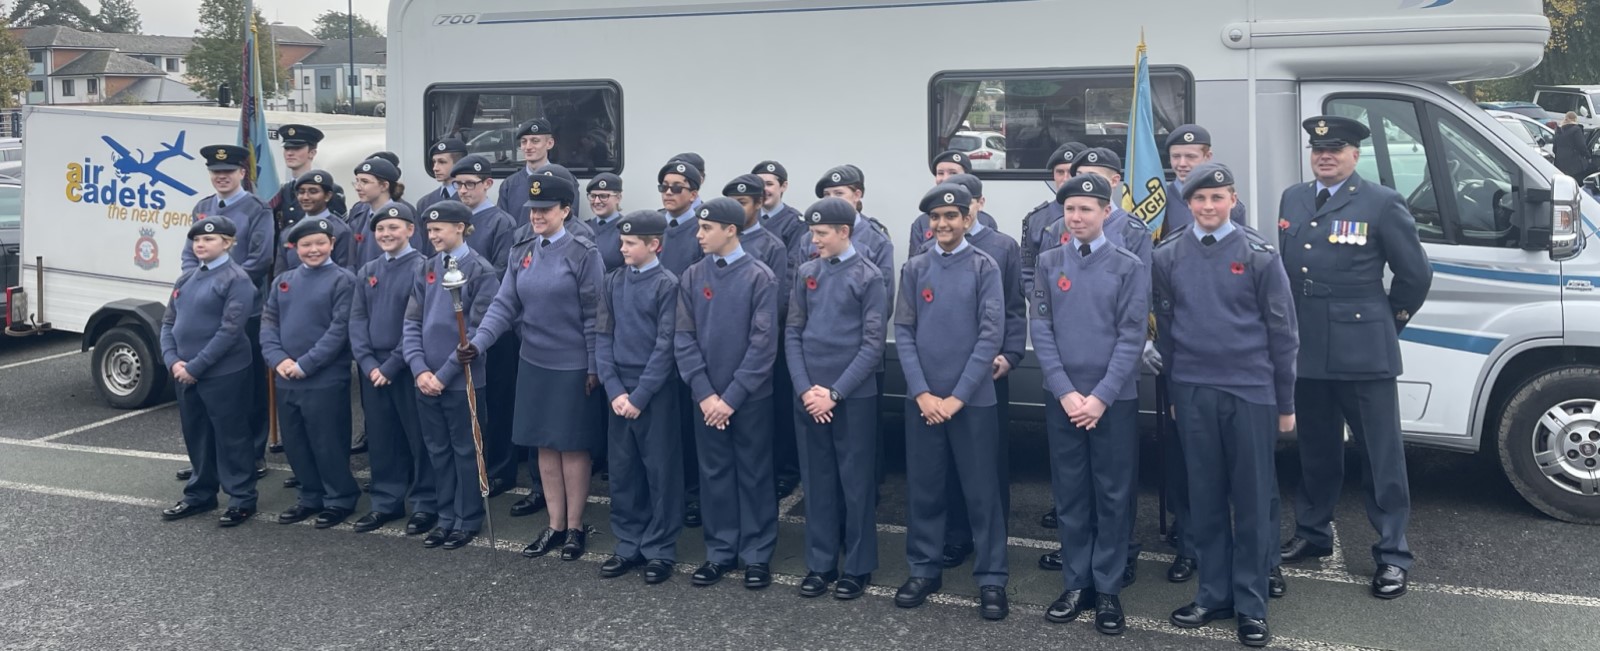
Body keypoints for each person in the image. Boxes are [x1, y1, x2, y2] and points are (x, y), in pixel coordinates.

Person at [1278, 116, 1432, 601]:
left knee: (1381, 455)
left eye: (1335, 149)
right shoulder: (1293, 198)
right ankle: (1313, 532)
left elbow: (1415, 274)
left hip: (1363, 347)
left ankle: (1392, 553)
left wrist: (1387, 321)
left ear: (1355, 154)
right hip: (1307, 345)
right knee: (1316, 448)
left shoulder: (1381, 202)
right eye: (1318, 149)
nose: (1324, 156)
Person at [1154, 162, 1298, 647]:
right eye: (1199, 199)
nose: (1209, 206)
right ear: (1188, 203)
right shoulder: (1168, 254)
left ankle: (1251, 605)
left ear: (1233, 200)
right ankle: (1212, 594)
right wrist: (1176, 392)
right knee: (1205, 498)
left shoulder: (1259, 255)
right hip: (1193, 390)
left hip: (1249, 392)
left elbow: (1283, 333)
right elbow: (1167, 330)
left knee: (1252, 502)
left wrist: (1285, 402)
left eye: (1217, 198)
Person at [465, 174, 606, 561]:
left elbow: (596, 314)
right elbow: (504, 304)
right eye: (533, 210)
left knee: (571, 447)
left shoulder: (583, 253)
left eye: (545, 209)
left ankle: (575, 526)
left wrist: (594, 365)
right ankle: (555, 524)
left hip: (573, 365)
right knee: (543, 443)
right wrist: (478, 343)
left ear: (565, 210)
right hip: (534, 361)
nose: (537, 216)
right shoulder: (522, 250)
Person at [1031, 173, 1148, 635]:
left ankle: (1109, 589)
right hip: (1063, 398)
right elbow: (1041, 330)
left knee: (1114, 495)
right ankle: (1076, 583)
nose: (1076, 217)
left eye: (1086, 209)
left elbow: (1131, 336)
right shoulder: (1048, 262)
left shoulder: (1127, 265)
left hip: (1112, 400)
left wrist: (1100, 397)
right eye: (1070, 209)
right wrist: (1064, 391)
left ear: (1105, 211)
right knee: (1071, 493)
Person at [893, 183, 1008, 621]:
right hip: (923, 401)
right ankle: (923, 569)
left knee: (982, 493)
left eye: (951, 216)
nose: (942, 224)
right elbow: (904, 331)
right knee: (925, 489)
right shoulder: (915, 267)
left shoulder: (984, 266)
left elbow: (990, 335)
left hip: (971, 401)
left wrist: (958, 397)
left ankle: (992, 577)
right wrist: (922, 392)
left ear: (966, 218)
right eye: (935, 218)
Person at [674, 197, 780, 589]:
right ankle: (720, 551)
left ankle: (756, 554)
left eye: (707, 228)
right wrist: (704, 393)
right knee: (714, 473)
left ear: (731, 230)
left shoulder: (760, 277)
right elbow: (683, 338)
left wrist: (731, 398)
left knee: (754, 473)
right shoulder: (692, 276)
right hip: (707, 398)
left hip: (748, 398)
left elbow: (762, 346)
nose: (699, 235)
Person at [786, 197, 888, 600]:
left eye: (821, 233)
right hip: (810, 394)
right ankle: (821, 563)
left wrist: (835, 392)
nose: (814, 240)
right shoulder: (807, 272)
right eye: (813, 232)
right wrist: (804, 388)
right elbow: (793, 332)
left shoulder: (868, 276)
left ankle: (858, 566)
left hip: (852, 396)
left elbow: (872, 343)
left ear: (844, 232)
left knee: (856, 482)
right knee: (817, 481)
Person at [926, 173, 1024, 571]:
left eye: (957, 209)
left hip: (988, 371)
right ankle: (956, 536)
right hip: (943, 375)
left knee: (988, 462)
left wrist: (1011, 355)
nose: (946, 219)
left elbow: (1014, 308)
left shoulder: (1002, 247)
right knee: (948, 461)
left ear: (975, 207)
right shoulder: (928, 250)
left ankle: (991, 538)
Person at [173, 144, 274, 485]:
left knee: (247, 387)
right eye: (216, 172)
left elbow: (260, 258)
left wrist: (224, 285)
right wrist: (197, 285)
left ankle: (252, 453)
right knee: (207, 392)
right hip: (204, 310)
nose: (222, 177)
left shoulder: (258, 208)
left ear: (242, 173)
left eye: (228, 171)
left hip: (244, 309)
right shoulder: (202, 207)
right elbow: (190, 256)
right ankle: (208, 460)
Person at [403, 200, 500, 550]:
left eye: (438, 229)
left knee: (466, 451)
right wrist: (418, 369)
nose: (432, 236)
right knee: (438, 451)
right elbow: (412, 321)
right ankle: (445, 516)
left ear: (460, 227)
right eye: (429, 230)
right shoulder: (427, 267)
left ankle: (467, 518)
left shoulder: (480, 270)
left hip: (461, 381)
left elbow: (475, 332)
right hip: (426, 379)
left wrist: (443, 375)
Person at [594, 210, 684, 584]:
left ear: (654, 245)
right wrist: (614, 389)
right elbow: (603, 336)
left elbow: (666, 345)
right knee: (623, 470)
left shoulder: (667, 285)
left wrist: (640, 395)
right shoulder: (613, 281)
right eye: (622, 241)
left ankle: (660, 548)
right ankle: (629, 542)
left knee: (660, 470)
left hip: (654, 392)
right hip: (620, 391)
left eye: (631, 243)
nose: (623, 248)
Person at [160, 216, 261, 527]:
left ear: (227, 243)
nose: (201, 244)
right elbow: (168, 322)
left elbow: (230, 331)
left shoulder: (237, 280)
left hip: (223, 373)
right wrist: (172, 360)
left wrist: (195, 366)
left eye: (209, 239)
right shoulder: (186, 279)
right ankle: (201, 494)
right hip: (185, 371)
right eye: (197, 240)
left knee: (232, 437)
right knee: (197, 435)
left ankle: (241, 498)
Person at [260, 216, 360, 529]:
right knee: (296, 442)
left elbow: (339, 329)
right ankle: (309, 495)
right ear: (294, 247)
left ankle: (339, 498)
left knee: (327, 441)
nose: (313, 249)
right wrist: (278, 360)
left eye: (320, 243)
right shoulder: (283, 281)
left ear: (332, 244)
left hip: (324, 378)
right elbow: (269, 323)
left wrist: (306, 364)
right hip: (287, 377)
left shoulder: (343, 280)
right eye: (306, 244)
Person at [349, 204, 436, 536]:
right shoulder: (368, 269)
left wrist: (392, 364)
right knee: (382, 438)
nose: (386, 234)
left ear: (411, 230)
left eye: (394, 227)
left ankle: (425, 503)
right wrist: (368, 363)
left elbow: (419, 322)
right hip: (373, 369)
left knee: (418, 438)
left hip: (408, 365)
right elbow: (357, 319)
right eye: (381, 229)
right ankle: (386, 501)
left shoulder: (422, 268)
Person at [725, 173, 797, 500]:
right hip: (723, 352)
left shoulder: (771, 245)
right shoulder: (720, 240)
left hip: (757, 350)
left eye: (742, 203)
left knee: (761, 429)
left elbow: (778, 301)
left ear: (758, 204)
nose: (736, 210)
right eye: (732, 203)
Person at [657, 159, 707, 528]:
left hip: (689, 336)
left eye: (677, 187)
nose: (669, 193)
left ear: (694, 193)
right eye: (664, 186)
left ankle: (694, 494)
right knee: (666, 423)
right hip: (657, 337)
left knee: (691, 427)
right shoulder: (655, 227)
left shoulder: (701, 230)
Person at [1020, 142, 1086, 297]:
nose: (1065, 178)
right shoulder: (1035, 220)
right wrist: (1042, 303)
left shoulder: (1099, 216)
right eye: (1060, 172)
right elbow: (1027, 271)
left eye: (1072, 172)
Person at [1162, 125, 1247, 235]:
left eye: (1190, 156)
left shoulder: (1230, 205)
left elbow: (1238, 241)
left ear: (1207, 156)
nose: (1182, 163)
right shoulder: (1160, 201)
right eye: (1176, 156)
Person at [908, 152, 998, 247]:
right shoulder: (921, 223)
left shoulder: (985, 221)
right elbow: (916, 255)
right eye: (940, 173)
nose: (945, 178)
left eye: (953, 173)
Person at [270, 124, 346, 234]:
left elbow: (338, 229)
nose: (290, 153)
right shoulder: (282, 190)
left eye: (297, 148)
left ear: (312, 153)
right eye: (287, 148)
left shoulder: (329, 189)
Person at [278, 170, 355, 272]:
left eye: (313, 192)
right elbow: (281, 274)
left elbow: (345, 271)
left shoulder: (341, 230)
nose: (305, 197)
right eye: (301, 192)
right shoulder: (288, 232)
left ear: (327, 196)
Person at [346, 157, 409, 268]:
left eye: (364, 182)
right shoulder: (359, 214)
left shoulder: (403, 215)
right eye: (357, 181)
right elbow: (351, 259)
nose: (358, 187)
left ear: (384, 186)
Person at [496, 118, 557, 212]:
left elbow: (570, 219)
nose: (528, 147)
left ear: (549, 143)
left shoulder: (564, 181)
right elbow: (502, 220)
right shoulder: (509, 185)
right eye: (524, 141)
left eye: (535, 141)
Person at [415, 137, 468, 243]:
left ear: (459, 164)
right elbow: (423, 242)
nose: (435, 168)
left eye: (442, 162)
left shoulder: (469, 199)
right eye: (434, 162)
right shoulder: (425, 203)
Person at [753, 160, 808, 251]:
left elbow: (795, 258)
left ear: (783, 186)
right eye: (759, 184)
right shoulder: (749, 217)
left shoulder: (795, 222)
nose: (764, 189)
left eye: (769, 184)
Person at [587, 173, 627, 272]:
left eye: (603, 196)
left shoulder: (626, 230)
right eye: (593, 196)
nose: (596, 201)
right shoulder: (584, 228)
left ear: (618, 198)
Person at [1554, 111, 1588, 180]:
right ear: (1575, 119)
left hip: (1559, 164)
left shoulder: (1558, 130)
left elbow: (1554, 148)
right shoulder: (1576, 130)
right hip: (1574, 165)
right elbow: (1581, 146)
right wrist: (1587, 155)